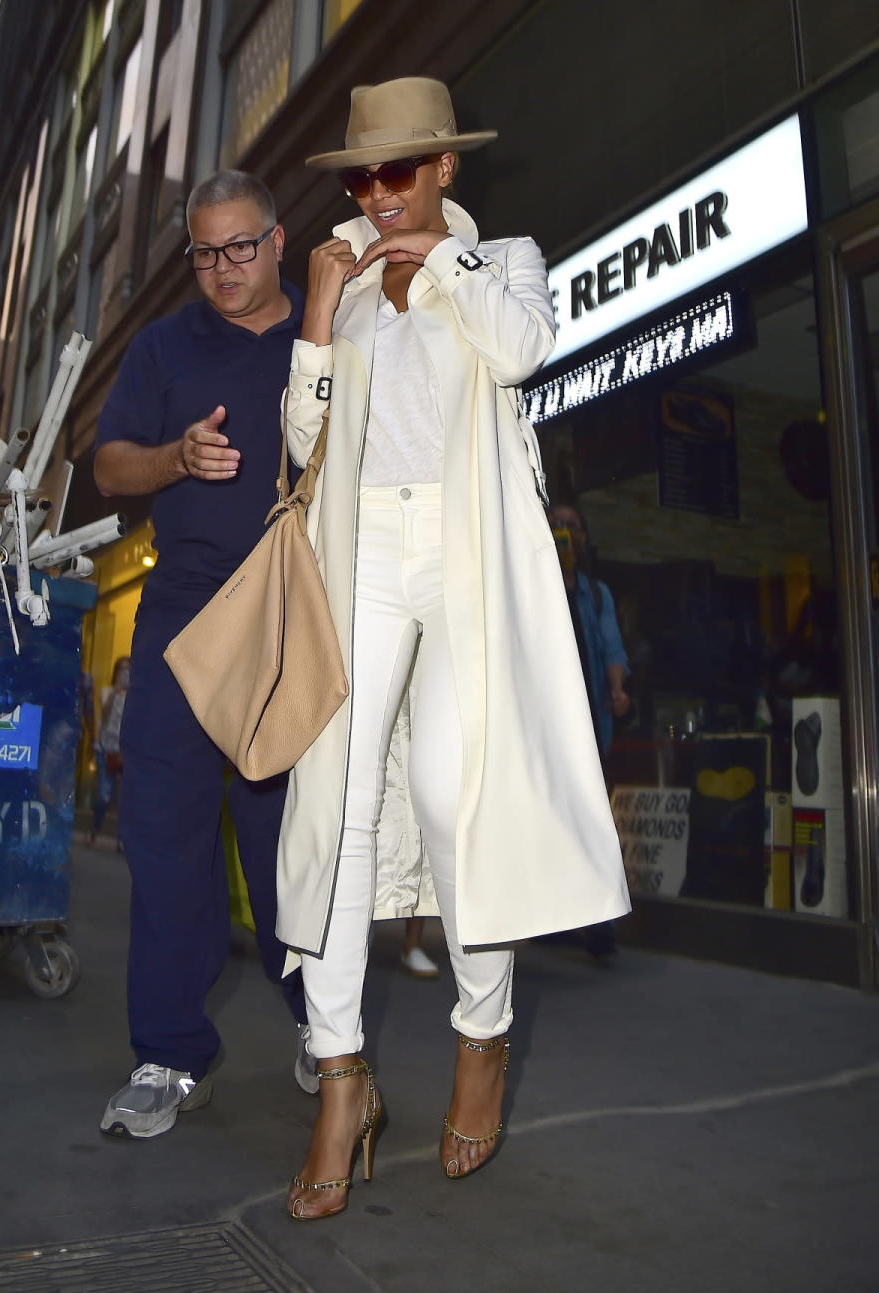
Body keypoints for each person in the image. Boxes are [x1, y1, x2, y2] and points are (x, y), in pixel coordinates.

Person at [276, 77, 630, 1220]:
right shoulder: (341, 273)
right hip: (366, 546)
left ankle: (482, 1037)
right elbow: (303, 440)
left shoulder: (505, 259)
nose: (375, 195)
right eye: (361, 177)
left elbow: (522, 352)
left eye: (397, 173)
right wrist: (318, 320)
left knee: (451, 793)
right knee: (335, 798)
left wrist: (430, 265)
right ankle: (340, 1075)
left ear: (443, 172)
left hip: (466, 549)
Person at [93, 170, 316, 1140]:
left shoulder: (331, 332)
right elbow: (108, 466)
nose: (222, 271)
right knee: (164, 832)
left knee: (290, 845)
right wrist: (175, 459)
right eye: (204, 253)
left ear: (277, 241)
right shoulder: (163, 346)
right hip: (183, 616)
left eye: (240, 248)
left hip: (294, 619)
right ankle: (169, 1052)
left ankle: (324, 1021)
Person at [549, 501, 631, 960]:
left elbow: (613, 647)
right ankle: (558, 916)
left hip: (589, 724)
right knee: (556, 820)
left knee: (594, 820)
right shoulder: (535, 587)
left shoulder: (596, 594)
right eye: (556, 525)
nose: (564, 532)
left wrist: (618, 690)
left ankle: (600, 920)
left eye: (571, 526)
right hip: (548, 728)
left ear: (583, 537)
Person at [87, 655, 129, 847]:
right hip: (106, 748)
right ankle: (94, 829)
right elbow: (103, 713)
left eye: (128, 670)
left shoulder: (136, 696)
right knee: (104, 794)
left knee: (124, 798)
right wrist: (116, 692)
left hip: (126, 752)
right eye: (121, 670)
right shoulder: (107, 692)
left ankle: (121, 840)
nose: (124, 674)